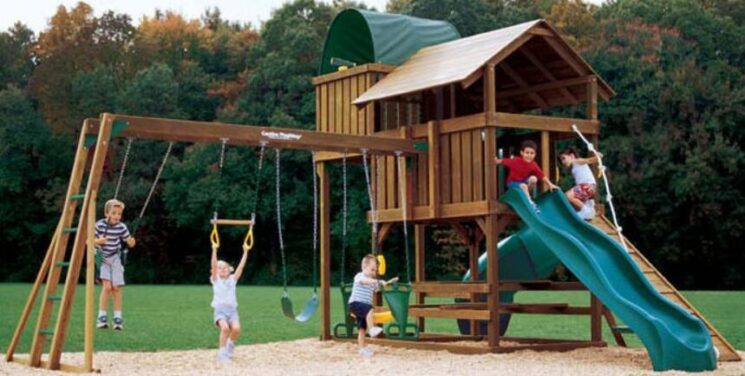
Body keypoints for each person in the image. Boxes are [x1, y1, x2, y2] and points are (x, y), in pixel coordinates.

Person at [94, 199, 136, 331]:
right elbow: (89, 241)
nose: (117, 216)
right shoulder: (99, 225)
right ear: (107, 213)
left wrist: (131, 242)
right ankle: (101, 317)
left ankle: (118, 317)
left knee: (116, 287)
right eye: (114, 213)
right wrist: (99, 241)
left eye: (119, 214)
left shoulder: (121, 227)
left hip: (115, 256)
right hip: (101, 256)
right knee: (107, 287)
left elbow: (129, 241)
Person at [348, 255, 398, 357]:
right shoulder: (359, 276)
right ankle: (372, 329)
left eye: (375, 271)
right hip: (355, 303)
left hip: (362, 306)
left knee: (362, 328)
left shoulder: (373, 281)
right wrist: (377, 281)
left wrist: (388, 282)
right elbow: (366, 281)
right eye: (372, 269)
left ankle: (362, 348)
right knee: (369, 309)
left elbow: (378, 288)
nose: (374, 273)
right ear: (364, 267)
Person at [495, 140, 559, 213]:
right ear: (522, 153)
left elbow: (541, 175)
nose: (529, 155)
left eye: (532, 153)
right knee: (524, 186)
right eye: (527, 153)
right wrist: (495, 160)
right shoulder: (515, 161)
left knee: (534, 179)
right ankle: (530, 203)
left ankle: (525, 195)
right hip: (512, 183)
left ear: (535, 154)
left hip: (523, 183)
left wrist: (550, 184)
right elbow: (502, 161)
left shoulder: (533, 164)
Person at [210, 243, 248, 363]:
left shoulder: (233, 280)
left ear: (229, 270)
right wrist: (214, 250)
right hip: (220, 310)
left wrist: (246, 251)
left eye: (225, 267)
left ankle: (229, 345)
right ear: (216, 271)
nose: (222, 269)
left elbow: (241, 267)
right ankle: (222, 354)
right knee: (225, 328)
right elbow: (214, 265)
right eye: (220, 268)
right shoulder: (215, 280)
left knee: (236, 329)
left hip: (232, 311)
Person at [559, 147, 601, 220]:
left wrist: (598, 157)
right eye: (561, 160)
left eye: (564, 158)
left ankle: (586, 210)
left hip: (588, 186)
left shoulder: (577, 161)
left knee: (568, 195)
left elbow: (589, 160)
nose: (563, 162)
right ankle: (589, 205)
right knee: (569, 197)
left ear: (571, 156)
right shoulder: (574, 167)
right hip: (588, 187)